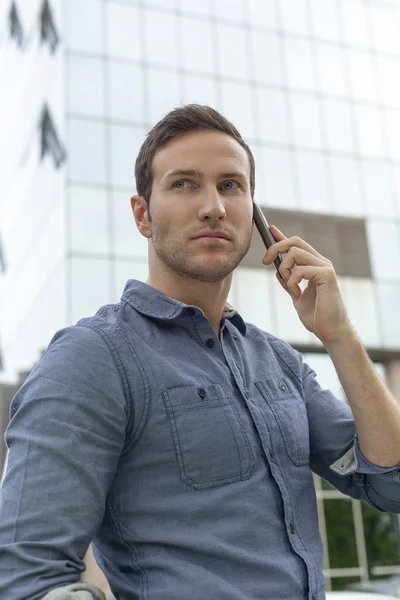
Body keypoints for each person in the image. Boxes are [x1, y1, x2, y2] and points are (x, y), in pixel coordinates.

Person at [1, 104, 400, 600]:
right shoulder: (92, 358)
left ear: (255, 215)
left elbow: (388, 484)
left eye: (231, 185)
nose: (213, 206)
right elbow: (26, 578)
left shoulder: (278, 362)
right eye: (184, 184)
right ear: (143, 215)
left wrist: (341, 338)